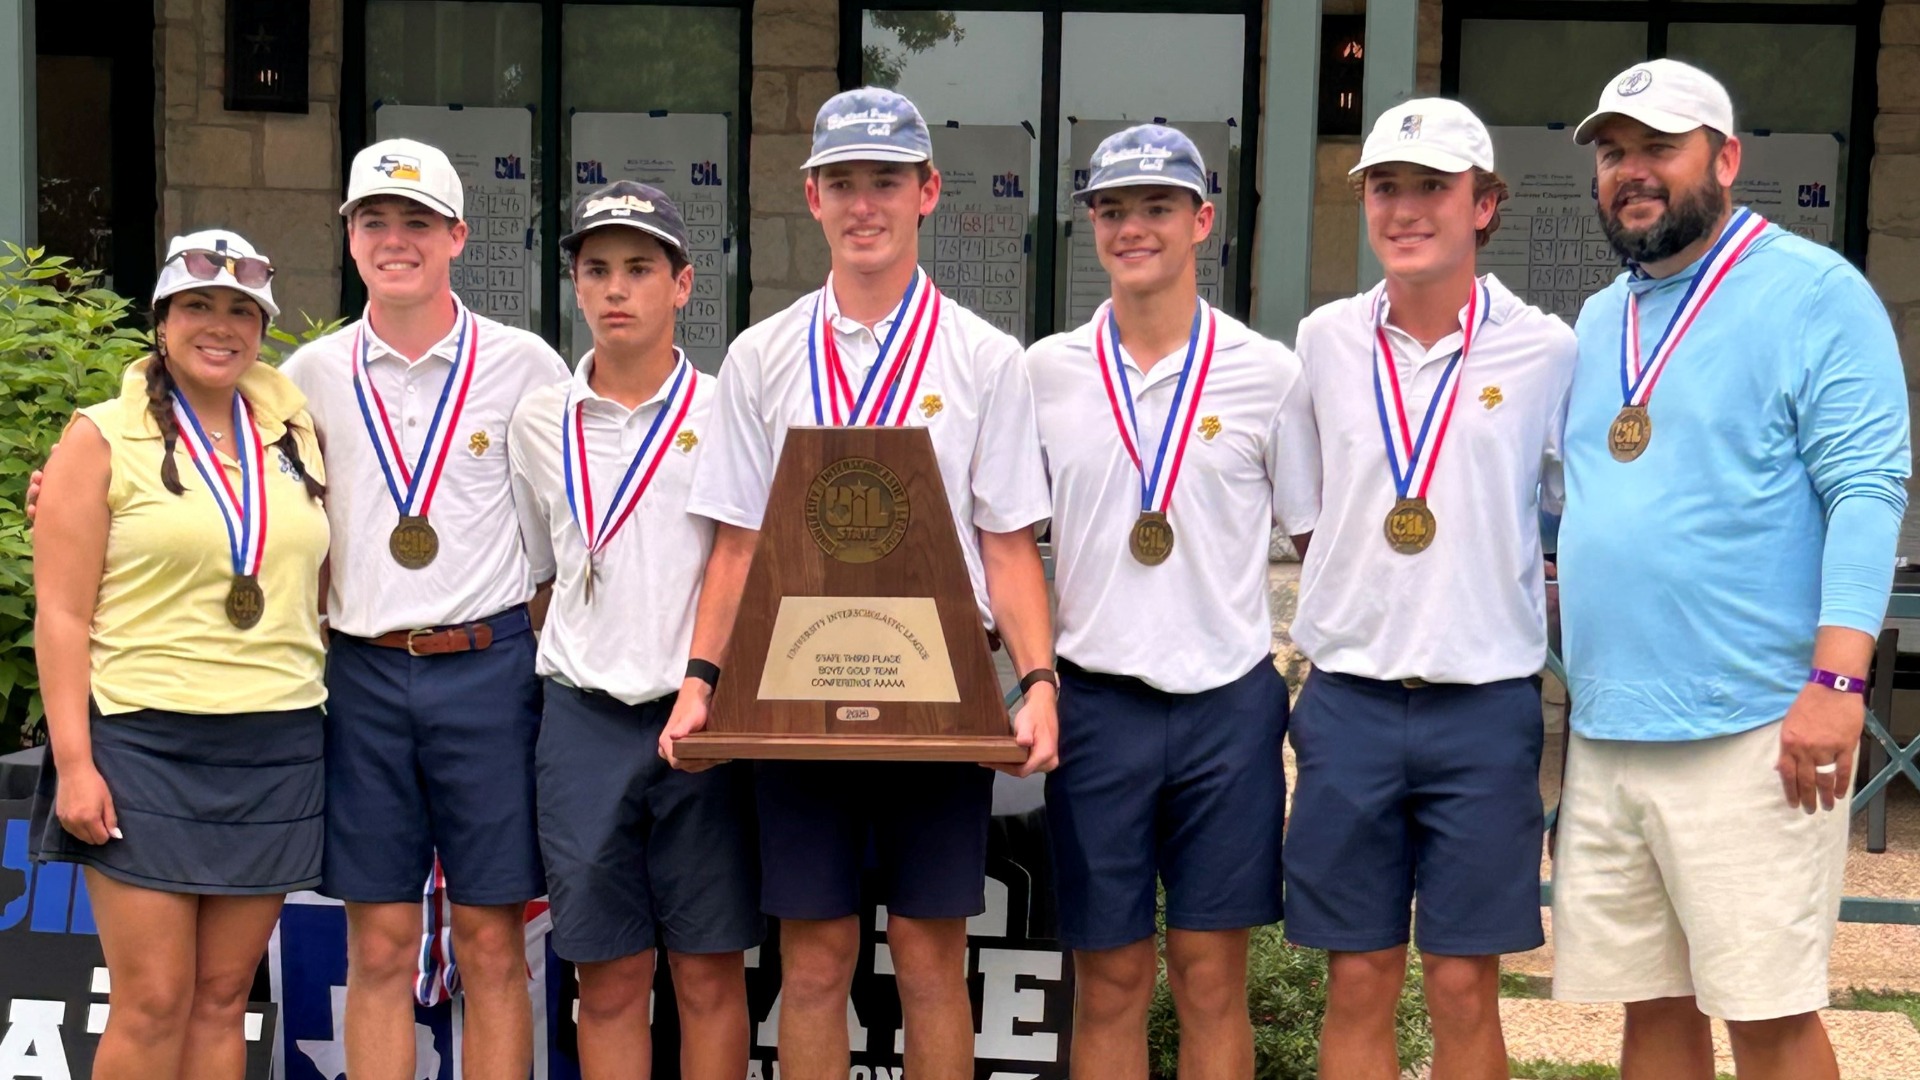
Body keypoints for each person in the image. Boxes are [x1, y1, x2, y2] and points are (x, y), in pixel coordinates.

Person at [656, 87, 1059, 1080]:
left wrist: (1039, 684)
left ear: (927, 191)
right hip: (797, 692)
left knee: (930, 961)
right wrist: (702, 678)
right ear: (813, 197)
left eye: (886, 181)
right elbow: (738, 543)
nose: (864, 204)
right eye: (845, 183)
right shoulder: (761, 356)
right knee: (815, 961)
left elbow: (1008, 545)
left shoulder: (982, 358)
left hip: (941, 695)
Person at [1553, 60, 1909, 1080]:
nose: (1632, 172)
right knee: (1652, 1013)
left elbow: (1867, 494)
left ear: (1726, 158)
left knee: (1768, 1018)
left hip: (1757, 726)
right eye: (1614, 153)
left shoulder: (1815, 293)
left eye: (1659, 148)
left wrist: (1838, 685)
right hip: (1613, 724)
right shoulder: (1599, 319)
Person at [1286, 99, 1577, 1080]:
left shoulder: (1547, 352)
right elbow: (1305, 508)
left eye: (1432, 188)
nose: (1405, 209)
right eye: (1385, 187)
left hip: (1484, 708)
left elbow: (1577, 505)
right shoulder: (1323, 340)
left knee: (1462, 985)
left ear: (1484, 204)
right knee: (1359, 976)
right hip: (1350, 702)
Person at [1023, 123, 1318, 1079]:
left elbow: (1318, 542)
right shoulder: (1046, 373)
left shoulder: (1269, 374)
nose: (1133, 228)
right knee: (1106, 981)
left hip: (1226, 707)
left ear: (1203, 221)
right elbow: (1010, 544)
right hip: (1096, 705)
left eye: (1157, 207)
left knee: (1208, 977)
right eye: (1113, 210)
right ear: (1093, 226)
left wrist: (1322, 673)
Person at [278, 138, 569, 1080]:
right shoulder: (308, 376)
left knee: (491, 946)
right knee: (380, 948)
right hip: (360, 673)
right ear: (351, 239)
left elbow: (568, 524)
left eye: (415, 223)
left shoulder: (525, 366)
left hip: (489, 669)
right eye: (374, 222)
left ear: (457, 236)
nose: (393, 240)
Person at [30, 230, 329, 1079]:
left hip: (275, 740)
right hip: (142, 742)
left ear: (264, 328)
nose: (221, 325)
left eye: (242, 310)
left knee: (224, 998)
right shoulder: (101, 435)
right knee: (154, 999)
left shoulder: (293, 428)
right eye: (199, 305)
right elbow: (60, 614)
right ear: (162, 319)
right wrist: (76, 764)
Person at [507, 181, 762, 1080]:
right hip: (581, 721)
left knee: (707, 974)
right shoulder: (538, 422)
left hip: (704, 720)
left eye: (640, 269)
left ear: (683, 285)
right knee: (608, 979)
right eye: (598, 269)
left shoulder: (729, 409)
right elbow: (544, 569)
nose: (617, 289)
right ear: (575, 285)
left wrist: (702, 681)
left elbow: (743, 563)